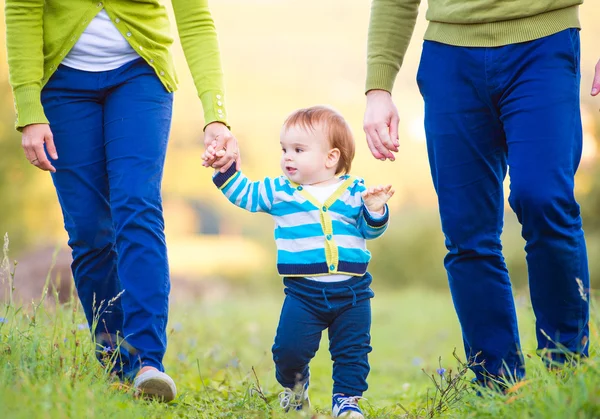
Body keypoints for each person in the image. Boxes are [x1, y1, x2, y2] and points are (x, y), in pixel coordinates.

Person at [5, 0, 239, 402]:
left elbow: (195, 18)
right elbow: (23, 9)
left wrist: (215, 114)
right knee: (88, 229)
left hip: (139, 77)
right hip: (61, 86)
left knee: (137, 206)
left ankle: (148, 361)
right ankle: (114, 364)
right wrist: (29, 108)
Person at [364, 0, 596, 388]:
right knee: (466, 231)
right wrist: (378, 86)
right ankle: (497, 387)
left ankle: (568, 376)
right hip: (450, 58)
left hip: (543, 42)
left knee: (544, 198)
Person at [203, 106, 393, 418]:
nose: (287, 157)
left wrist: (374, 210)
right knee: (288, 351)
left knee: (353, 352)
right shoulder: (280, 191)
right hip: (304, 294)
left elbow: (370, 231)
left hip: (354, 293)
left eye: (298, 150)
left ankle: (346, 402)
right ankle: (295, 387)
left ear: (331, 158)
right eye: (284, 149)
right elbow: (246, 195)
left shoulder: (354, 191)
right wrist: (225, 172)